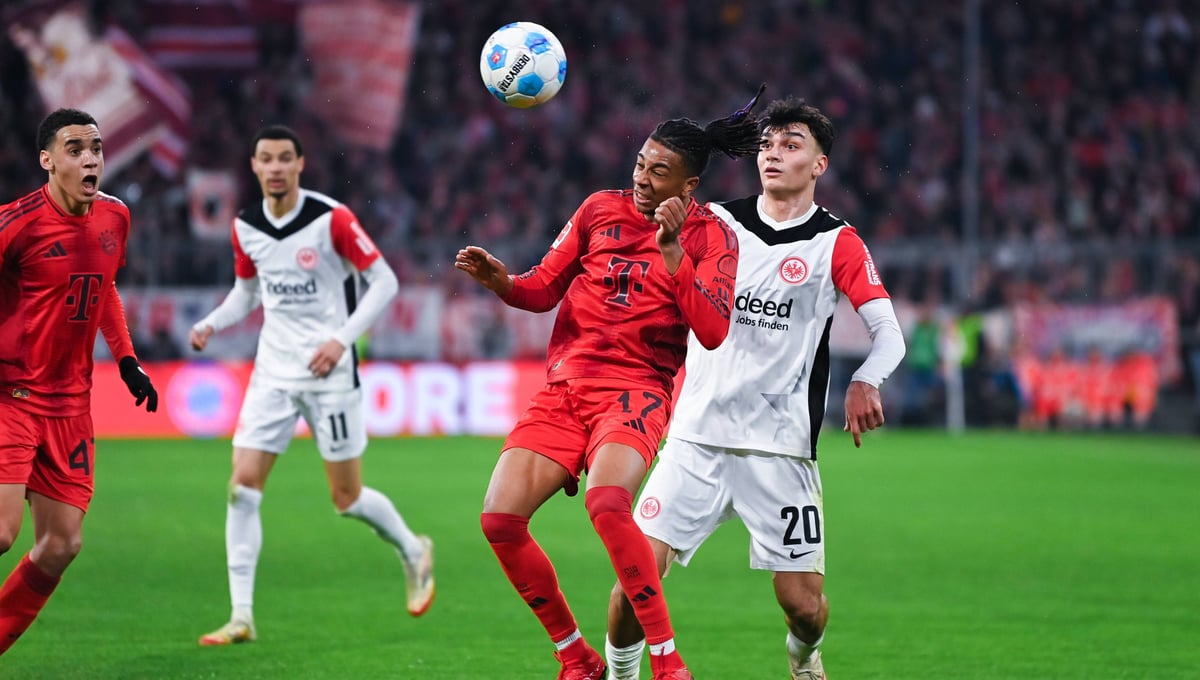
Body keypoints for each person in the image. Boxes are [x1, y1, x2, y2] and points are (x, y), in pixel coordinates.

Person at [455, 86, 764, 680]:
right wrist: (502, 282)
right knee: (499, 520)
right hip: (566, 387)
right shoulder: (599, 208)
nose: (642, 178)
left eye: (659, 172)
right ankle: (575, 657)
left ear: (689, 186)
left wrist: (672, 253)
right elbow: (542, 289)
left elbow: (713, 332)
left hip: (636, 391)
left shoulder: (712, 237)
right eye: (640, 164)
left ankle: (667, 660)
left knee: (607, 502)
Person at [604, 97, 906, 680]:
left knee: (804, 608)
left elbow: (888, 333)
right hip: (695, 439)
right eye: (767, 144)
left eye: (791, 146)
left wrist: (866, 379)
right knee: (633, 581)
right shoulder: (715, 222)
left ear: (819, 164)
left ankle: (805, 656)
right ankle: (620, 676)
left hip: (780, 448)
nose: (773, 154)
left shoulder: (836, 243)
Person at [189, 124, 434, 646]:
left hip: (330, 377)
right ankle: (241, 616)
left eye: (285, 158)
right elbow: (247, 293)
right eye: (266, 158)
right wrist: (212, 322)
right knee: (241, 488)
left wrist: (341, 341)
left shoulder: (331, 219)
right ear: (254, 166)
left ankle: (414, 550)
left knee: (346, 498)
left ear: (300, 164)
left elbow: (384, 281)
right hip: (273, 374)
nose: (275, 167)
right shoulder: (245, 226)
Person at [0, 108, 158, 655]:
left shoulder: (116, 217)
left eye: (95, 148)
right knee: (1, 532)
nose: (90, 159)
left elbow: (104, 286)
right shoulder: (15, 224)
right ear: (47, 161)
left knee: (62, 544)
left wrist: (128, 359)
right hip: (12, 397)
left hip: (71, 407)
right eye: (75, 149)